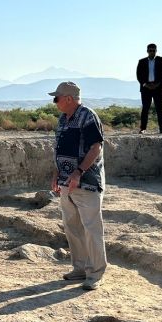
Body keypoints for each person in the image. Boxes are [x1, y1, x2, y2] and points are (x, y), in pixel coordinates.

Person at [49, 81, 107, 291]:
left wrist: (79, 171)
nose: (54, 102)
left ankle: (95, 273)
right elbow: (59, 148)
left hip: (86, 182)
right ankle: (80, 268)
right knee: (72, 226)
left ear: (68, 99)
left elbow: (96, 147)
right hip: (66, 182)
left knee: (92, 228)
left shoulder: (88, 116)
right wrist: (56, 173)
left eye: (56, 98)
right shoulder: (63, 119)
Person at [136, 43, 162, 134]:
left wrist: (157, 84)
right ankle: (143, 129)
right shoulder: (141, 61)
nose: (152, 52)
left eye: (153, 50)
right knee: (145, 108)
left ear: (156, 51)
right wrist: (145, 84)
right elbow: (139, 75)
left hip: (158, 88)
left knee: (159, 108)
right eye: (150, 50)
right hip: (146, 88)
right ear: (147, 51)